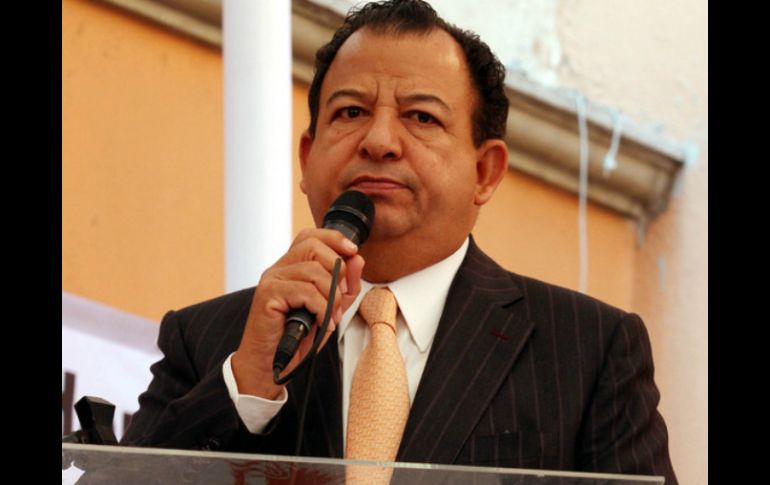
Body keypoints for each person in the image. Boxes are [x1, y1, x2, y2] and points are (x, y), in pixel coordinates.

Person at [121, 1, 677, 482]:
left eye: (421, 117)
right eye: (351, 112)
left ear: (485, 171)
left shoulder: (587, 351)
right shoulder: (211, 341)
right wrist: (250, 384)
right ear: (307, 159)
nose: (380, 141)